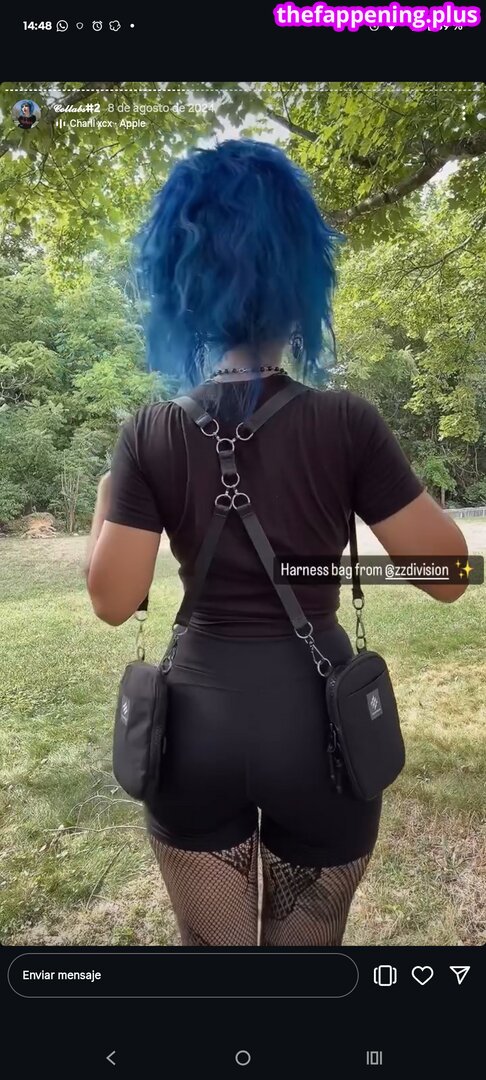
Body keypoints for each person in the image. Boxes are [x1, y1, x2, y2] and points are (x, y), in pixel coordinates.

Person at [85, 140, 468, 947]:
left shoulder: (149, 433)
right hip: (321, 729)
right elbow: (448, 575)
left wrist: (107, 496)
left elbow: (114, 602)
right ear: (298, 281)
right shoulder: (346, 422)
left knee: (219, 977)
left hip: (194, 729)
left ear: (184, 288)